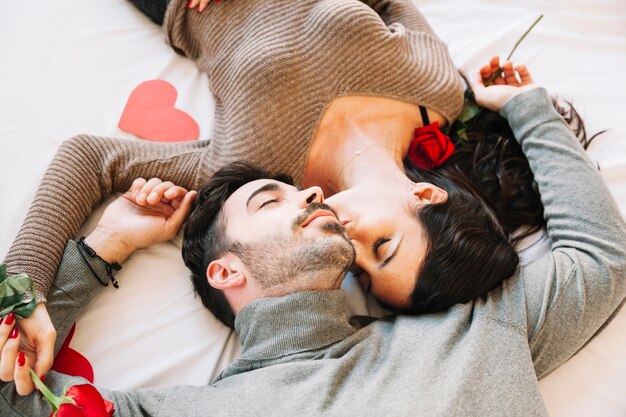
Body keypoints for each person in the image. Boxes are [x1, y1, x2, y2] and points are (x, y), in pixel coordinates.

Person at [0, 0, 589, 393]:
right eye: (381, 244)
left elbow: (87, 158)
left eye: (358, 268)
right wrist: (520, 105)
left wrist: (19, 292)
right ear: (428, 194)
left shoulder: (263, 193)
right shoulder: (434, 90)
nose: (345, 243)